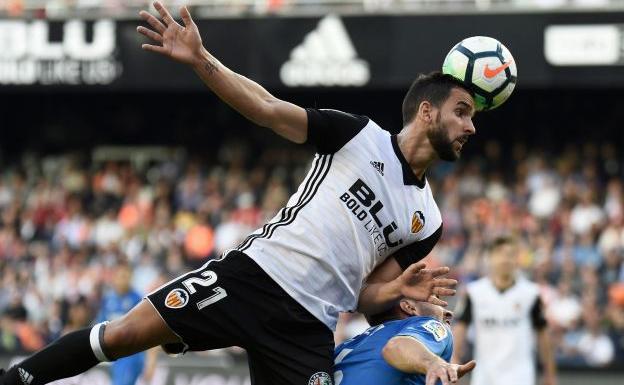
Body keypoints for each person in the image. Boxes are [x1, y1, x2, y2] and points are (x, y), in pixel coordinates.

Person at [0, 2, 476, 385]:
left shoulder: (427, 220)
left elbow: (367, 297)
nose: (470, 126)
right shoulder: (358, 135)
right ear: (427, 112)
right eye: (462, 112)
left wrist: (396, 290)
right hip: (253, 276)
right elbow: (269, 108)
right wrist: (200, 60)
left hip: (308, 326)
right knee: (125, 334)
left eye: (473, 116)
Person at [452, 236, 557, 385]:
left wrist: (549, 373)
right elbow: (460, 329)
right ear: (490, 258)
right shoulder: (474, 293)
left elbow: (543, 333)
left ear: (517, 259)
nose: (505, 259)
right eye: (500, 254)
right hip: (484, 376)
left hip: (520, 375)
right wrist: (454, 360)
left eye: (510, 254)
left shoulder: (531, 293)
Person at [334, 299, 475, 385]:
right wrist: (434, 363)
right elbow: (395, 347)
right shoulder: (430, 324)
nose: (449, 313)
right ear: (409, 307)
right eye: (436, 299)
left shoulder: (345, 347)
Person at [95, 265, 145, 385]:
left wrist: (151, 359)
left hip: (132, 354)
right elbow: (99, 326)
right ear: (115, 278)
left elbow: (149, 329)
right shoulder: (108, 300)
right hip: (115, 353)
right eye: (122, 276)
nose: (125, 279)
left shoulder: (138, 299)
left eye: (127, 276)